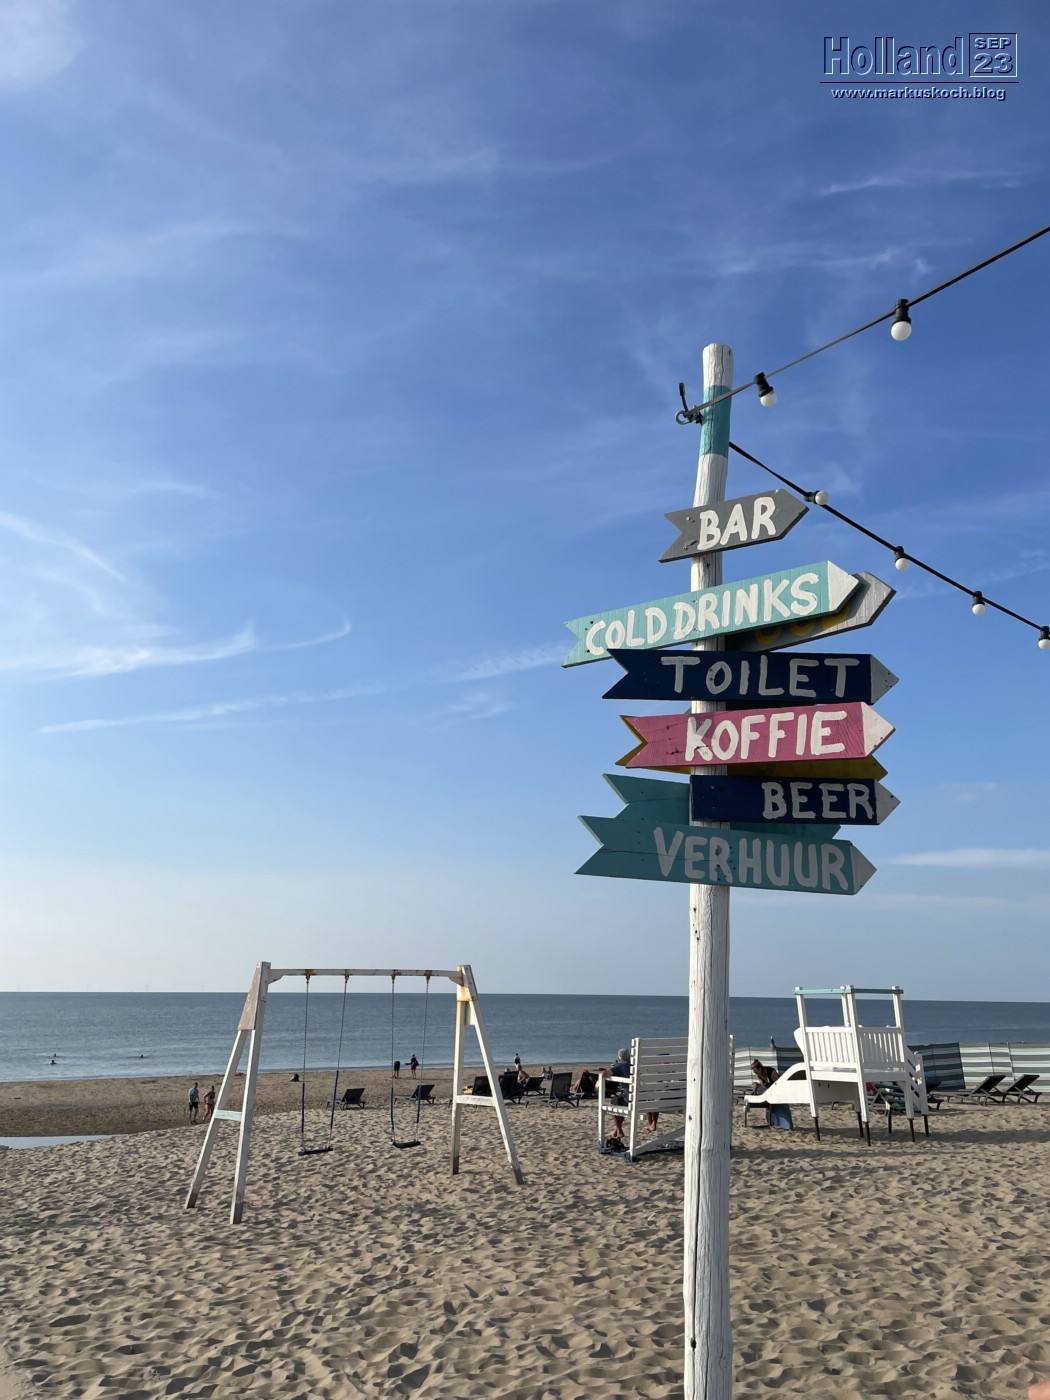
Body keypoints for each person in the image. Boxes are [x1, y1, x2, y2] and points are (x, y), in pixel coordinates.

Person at [600, 1048, 631, 1149]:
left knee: (613, 1102)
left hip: (630, 1098)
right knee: (620, 1102)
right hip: (643, 1098)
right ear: (629, 1056)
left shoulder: (621, 1065)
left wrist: (612, 1068)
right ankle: (616, 1130)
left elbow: (604, 1074)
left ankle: (619, 1130)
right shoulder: (635, 1065)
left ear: (619, 1057)